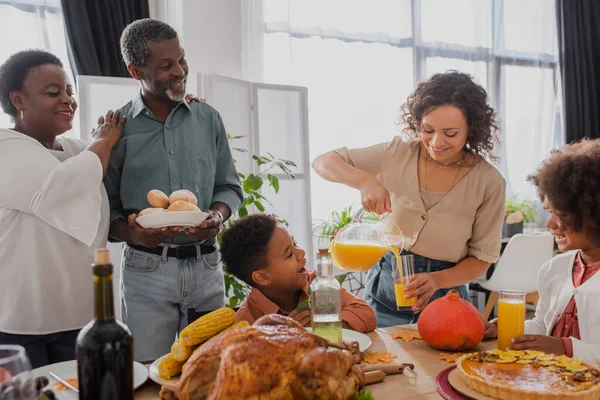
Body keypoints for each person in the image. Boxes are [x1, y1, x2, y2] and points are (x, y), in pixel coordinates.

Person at [312, 71, 506, 327]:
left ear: (471, 129)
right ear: (417, 122)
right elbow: (323, 162)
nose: (436, 142)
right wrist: (365, 181)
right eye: (428, 129)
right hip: (385, 291)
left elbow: (481, 260)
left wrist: (436, 280)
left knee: (440, 367)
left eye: (450, 133)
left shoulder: (489, 181)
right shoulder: (395, 154)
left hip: (446, 298)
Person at [104, 19, 243, 361]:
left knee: (209, 373)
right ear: (136, 71)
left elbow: (229, 187)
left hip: (206, 266)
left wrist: (216, 215)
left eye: (181, 59)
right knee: (150, 377)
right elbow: (105, 211)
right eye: (166, 65)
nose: (180, 71)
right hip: (146, 273)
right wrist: (135, 234)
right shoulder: (116, 129)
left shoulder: (207, 117)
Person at [0, 50, 125, 367]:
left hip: (78, 317)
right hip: (18, 322)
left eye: (69, 91)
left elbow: (100, 192)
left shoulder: (78, 149)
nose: (68, 100)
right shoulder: (6, 147)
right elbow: (63, 191)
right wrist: (103, 141)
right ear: (18, 100)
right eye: (53, 93)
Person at [484, 139, 600, 364]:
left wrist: (565, 348)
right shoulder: (554, 269)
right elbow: (541, 324)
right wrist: (504, 328)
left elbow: (558, 345)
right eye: (550, 211)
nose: (550, 224)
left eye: (562, 215)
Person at [220, 214, 377, 333]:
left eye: (295, 244)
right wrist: (287, 335)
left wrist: (319, 327)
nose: (301, 253)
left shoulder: (317, 283)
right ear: (262, 277)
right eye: (289, 254)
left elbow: (365, 313)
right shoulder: (245, 325)